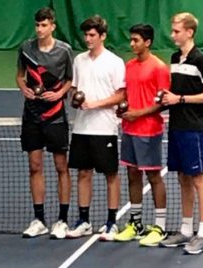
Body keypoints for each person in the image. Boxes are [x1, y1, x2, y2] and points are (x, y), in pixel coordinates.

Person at [159, 12, 203, 254]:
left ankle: (202, 233)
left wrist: (179, 98)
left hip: (193, 128)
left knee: (198, 178)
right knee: (182, 177)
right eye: (172, 30)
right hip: (176, 127)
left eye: (176, 31)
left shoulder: (202, 60)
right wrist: (166, 98)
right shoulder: (174, 58)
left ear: (189, 32)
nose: (173, 35)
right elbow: (176, 91)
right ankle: (186, 229)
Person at [66, 15, 126, 241]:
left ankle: (111, 223)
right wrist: (77, 98)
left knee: (110, 174)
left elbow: (121, 94)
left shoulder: (114, 62)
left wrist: (95, 104)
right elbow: (74, 87)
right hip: (81, 127)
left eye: (92, 35)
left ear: (103, 36)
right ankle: (84, 221)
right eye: (86, 35)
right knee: (83, 173)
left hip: (105, 127)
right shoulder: (79, 60)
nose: (88, 39)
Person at [16, 7, 73, 239]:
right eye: (37, 25)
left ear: (53, 26)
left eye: (44, 25)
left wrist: (60, 94)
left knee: (61, 167)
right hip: (31, 115)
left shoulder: (64, 51)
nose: (40, 29)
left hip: (56, 115)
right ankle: (39, 219)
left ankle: (62, 220)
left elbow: (70, 79)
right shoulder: (26, 48)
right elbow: (20, 75)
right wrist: (24, 89)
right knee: (35, 166)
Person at [114, 24, 170, 247]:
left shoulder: (159, 68)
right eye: (131, 40)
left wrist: (138, 113)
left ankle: (160, 226)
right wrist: (123, 110)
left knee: (153, 176)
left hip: (149, 130)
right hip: (129, 129)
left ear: (147, 42)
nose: (132, 44)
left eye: (136, 40)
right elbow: (126, 95)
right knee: (132, 174)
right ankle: (136, 223)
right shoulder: (129, 66)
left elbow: (163, 103)